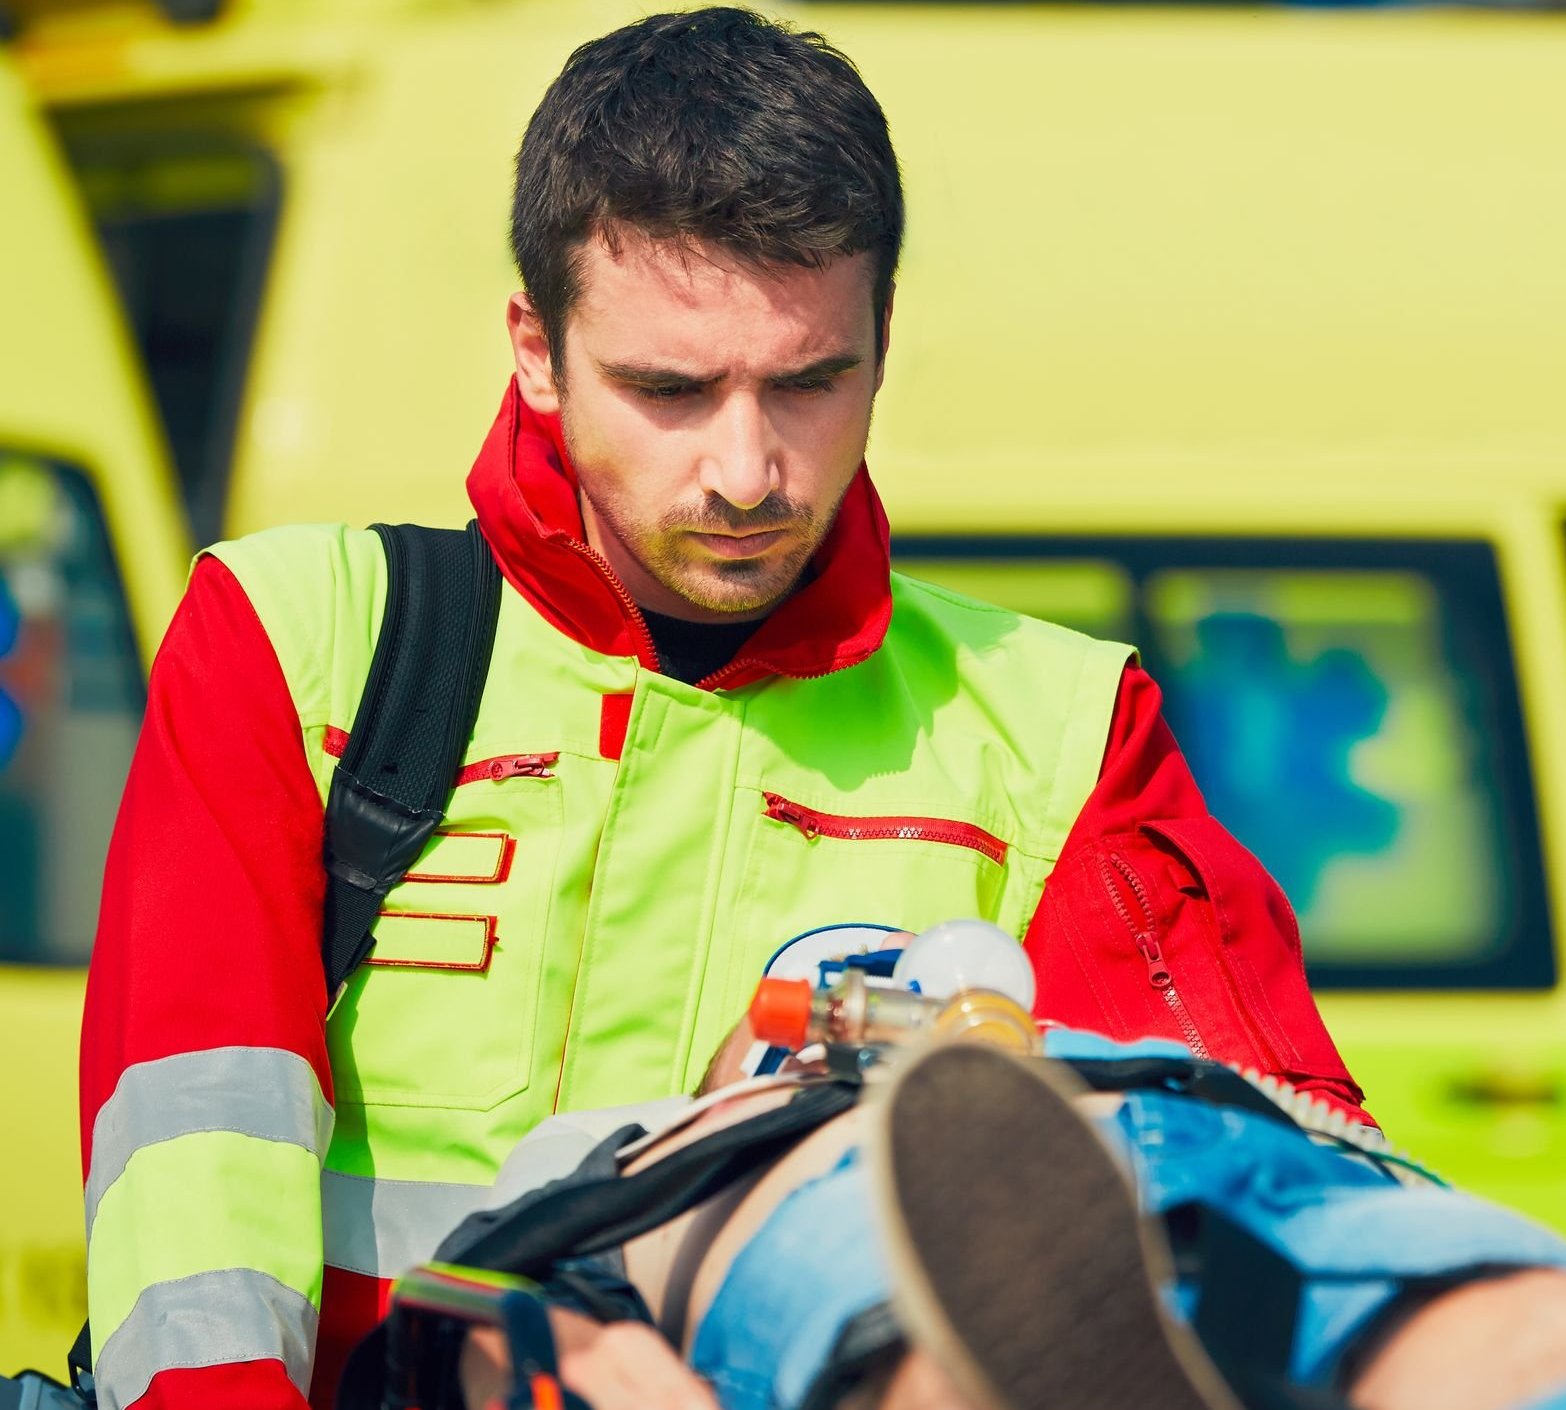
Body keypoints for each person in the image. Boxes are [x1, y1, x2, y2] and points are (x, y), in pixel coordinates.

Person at [77, 12, 1368, 1410]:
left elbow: (1268, 1175)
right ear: (534, 347)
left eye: (811, 382)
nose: (748, 470)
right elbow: (193, 1213)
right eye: (671, 390)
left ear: (884, 339)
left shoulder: (1059, 729)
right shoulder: (296, 640)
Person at [398, 1034, 1566, 1410]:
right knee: (1529, 1328)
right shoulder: (596, 1155)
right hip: (875, 1208)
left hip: (1206, 1168)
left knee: (1554, 1324)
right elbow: (474, 1327)